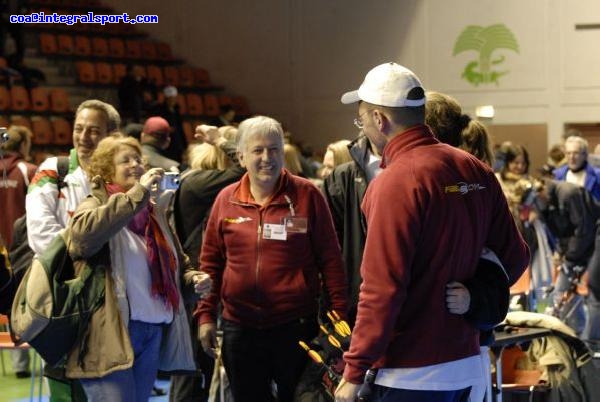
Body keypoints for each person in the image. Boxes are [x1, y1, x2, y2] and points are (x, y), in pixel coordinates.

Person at [334, 62, 530, 402]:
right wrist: (475, 297)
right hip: (469, 365)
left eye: (361, 119)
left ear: (380, 119)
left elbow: (382, 287)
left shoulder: (394, 183)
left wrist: (353, 370)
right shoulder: (473, 168)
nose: (362, 129)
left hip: (410, 373)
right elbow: (516, 257)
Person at [197, 115, 347, 402]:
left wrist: (338, 316)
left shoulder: (307, 195)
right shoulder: (225, 200)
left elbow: (331, 260)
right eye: (258, 150)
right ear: (240, 156)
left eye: (274, 149)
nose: (267, 158)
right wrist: (205, 315)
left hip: (296, 327)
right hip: (239, 328)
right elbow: (211, 263)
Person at [65, 135, 211, 402]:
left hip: (151, 332)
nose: (135, 165)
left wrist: (193, 281)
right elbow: (81, 240)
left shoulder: (154, 216)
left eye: (138, 160)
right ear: (108, 170)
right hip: (110, 333)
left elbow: (180, 268)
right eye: (125, 161)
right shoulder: (95, 204)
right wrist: (137, 195)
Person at [25, 99, 121, 400]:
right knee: (64, 378)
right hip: (64, 291)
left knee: (108, 383)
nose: (83, 137)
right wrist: (78, 269)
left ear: (111, 134)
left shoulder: (120, 176)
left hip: (112, 296)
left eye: (94, 130)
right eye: (79, 129)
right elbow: (41, 233)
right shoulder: (55, 171)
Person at [169, 125, 245, 402]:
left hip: (196, 285)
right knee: (191, 371)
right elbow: (244, 167)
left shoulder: (191, 181)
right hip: (197, 288)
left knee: (197, 369)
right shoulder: (200, 183)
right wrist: (221, 140)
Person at [322, 133, 381, 326]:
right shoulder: (339, 181)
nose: (324, 172)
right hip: (354, 300)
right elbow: (330, 250)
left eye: (328, 166)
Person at [535, 179, 598, 337]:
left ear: (540, 191)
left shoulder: (568, 193)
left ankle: (590, 342)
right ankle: (573, 333)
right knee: (560, 291)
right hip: (582, 246)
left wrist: (569, 258)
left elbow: (583, 229)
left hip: (593, 240)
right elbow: (562, 233)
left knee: (594, 293)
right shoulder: (547, 204)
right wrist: (563, 254)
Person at [0, 125, 36, 379]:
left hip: (3, 255)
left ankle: (19, 364)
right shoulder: (29, 171)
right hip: (24, 251)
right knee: (27, 302)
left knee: (10, 304)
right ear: (23, 145)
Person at [554, 135, 600, 201]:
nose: (571, 157)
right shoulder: (558, 176)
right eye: (568, 153)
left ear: (585, 155)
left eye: (576, 153)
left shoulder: (597, 175)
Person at [154, 85, 187, 164]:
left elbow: (180, 128)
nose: (173, 101)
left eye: (174, 98)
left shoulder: (177, 110)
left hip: (177, 142)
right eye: (170, 99)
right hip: (166, 143)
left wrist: (184, 145)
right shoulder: (160, 110)